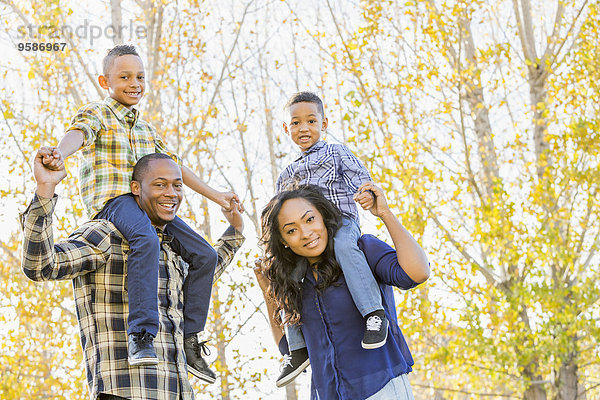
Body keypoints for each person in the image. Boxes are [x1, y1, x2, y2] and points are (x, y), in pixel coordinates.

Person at [41, 44, 241, 380]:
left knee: (204, 254)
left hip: (149, 205)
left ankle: (189, 338)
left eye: (140, 77)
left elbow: (177, 169)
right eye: (125, 77)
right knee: (146, 240)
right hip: (116, 202)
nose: (135, 83)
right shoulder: (98, 114)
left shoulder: (148, 131)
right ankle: (141, 335)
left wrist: (217, 195)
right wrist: (60, 154)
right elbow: (77, 134)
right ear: (106, 82)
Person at [21, 151, 245, 400]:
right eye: (160, 185)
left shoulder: (173, 247)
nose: (171, 193)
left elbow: (199, 282)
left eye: (177, 186)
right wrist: (45, 189)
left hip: (177, 391)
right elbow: (41, 265)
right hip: (126, 391)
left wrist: (235, 231)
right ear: (136, 188)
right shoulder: (106, 236)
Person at [257, 183, 430, 399]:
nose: (305, 233)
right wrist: (269, 293)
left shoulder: (362, 250)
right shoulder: (296, 284)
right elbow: (288, 347)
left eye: (310, 219)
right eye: (291, 230)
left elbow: (417, 273)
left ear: (322, 216)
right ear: (283, 241)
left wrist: (385, 213)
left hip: (381, 388)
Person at [274, 91, 385, 386]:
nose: (304, 128)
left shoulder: (336, 153)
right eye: (296, 123)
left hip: (340, 223)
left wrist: (365, 191)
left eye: (311, 121)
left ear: (324, 122)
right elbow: (280, 212)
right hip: (307, 236)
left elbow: (359, 176)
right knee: (285, 273)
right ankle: (297, 348)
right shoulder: (286, 174)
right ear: (287, 129)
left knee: (346, 248)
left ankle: (374, 314)